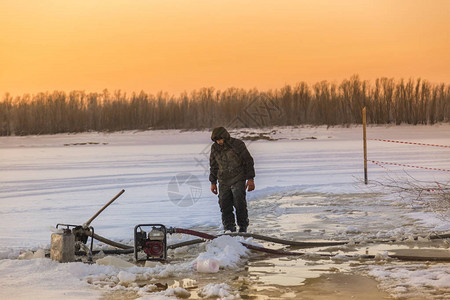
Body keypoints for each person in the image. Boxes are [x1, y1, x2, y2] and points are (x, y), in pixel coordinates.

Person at [209, 127, 255, 233]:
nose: (219, 142)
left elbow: (248, 161)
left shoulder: (237, 144)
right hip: (223, 180)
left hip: (238, 178)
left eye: (220, 139)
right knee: (224, 205)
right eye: (216, 140)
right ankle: (229, 229)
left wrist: (250, 179)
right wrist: (213, 182)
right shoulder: (214, 148)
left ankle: (243, 228)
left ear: (225, 137)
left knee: (239, 203)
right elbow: (213, 165)